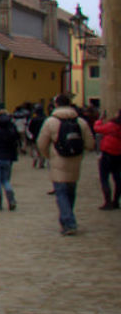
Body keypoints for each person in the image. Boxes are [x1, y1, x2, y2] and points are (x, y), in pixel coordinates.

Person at [37, 95, 96, 235]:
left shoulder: (51, 122)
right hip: (75, 160)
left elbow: (41, 143)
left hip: (58, 161)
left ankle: (69, 222)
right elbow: (90, 143)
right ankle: (67, 218)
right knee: (70, 192)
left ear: (56, 104)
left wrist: (48, 156)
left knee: (61, 192)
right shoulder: (80, 121)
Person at [93, 109, 121, 210]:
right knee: (118, 178)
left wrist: (99, 119)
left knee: (104, 178)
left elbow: (97, 128)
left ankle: (107, 202)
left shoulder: (112, 125)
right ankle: (116, 201)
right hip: (119, 154)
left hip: (107, 154)